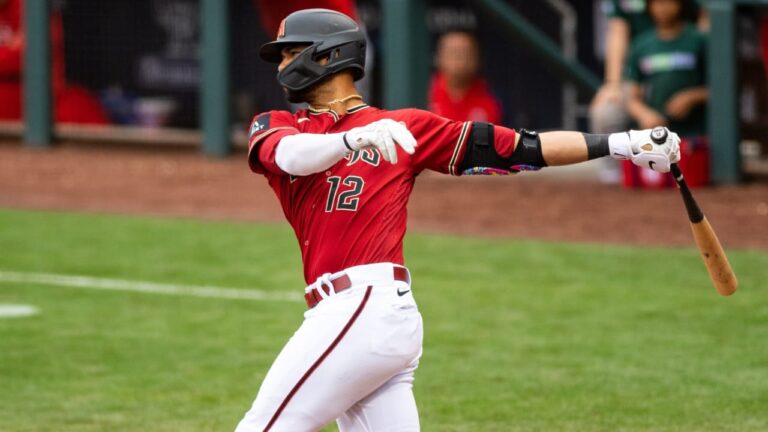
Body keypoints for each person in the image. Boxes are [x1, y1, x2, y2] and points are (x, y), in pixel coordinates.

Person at [236, 8, 680, 432]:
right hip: (360, 319)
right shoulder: (278, 124)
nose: (282, 65)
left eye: (291, 52)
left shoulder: (404, 126)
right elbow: (290, 157)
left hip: (363, 308)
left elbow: (521, 148)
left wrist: (622, 142)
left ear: (329, 55)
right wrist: (351, 139)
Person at [625, 0, 709, 187]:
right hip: (656, 134)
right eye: (657, 2)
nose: (663, 7)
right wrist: (645, 114)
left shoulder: (699, 40)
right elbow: (632, 98)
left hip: (694, 135)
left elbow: (720, 90)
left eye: (669, 2)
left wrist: (691, 97)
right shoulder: (641, 44)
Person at [0, 0, 109, 124]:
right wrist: (11, 50)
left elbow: (32, 52)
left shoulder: (28, 6)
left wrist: (14, 52)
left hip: (37, 105)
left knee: (77, 108)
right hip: (14, 116)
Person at [428, 30, 502, 124]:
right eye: (453, 52)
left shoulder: (490, 99)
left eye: (466, 53)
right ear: (439, 57)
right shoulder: (425, 93)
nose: (460, 59)